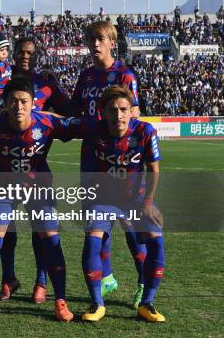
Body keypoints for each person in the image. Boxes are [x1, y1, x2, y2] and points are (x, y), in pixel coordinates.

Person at [0, 76, 74, 322]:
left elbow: (83, 126)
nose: (19, 107)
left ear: (33, 103)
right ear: (5, 103)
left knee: (51, 240)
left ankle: (60, 301)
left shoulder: (47, 123)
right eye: (13, 101)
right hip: (3, 190)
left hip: (39, 189)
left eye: (24, 101)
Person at [66, 85, 165, 322]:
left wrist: (148, 203)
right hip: (102, 198)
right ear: (103, 112)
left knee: (156, 242)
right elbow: (59, 121)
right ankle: (96, 304)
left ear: (132, 111)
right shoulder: (92, 128)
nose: (118, 115)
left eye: (123, 109)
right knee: (93, 241)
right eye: (112, 110)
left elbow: (154, 169)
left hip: (136, 198)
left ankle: (147, 303)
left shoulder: (144, 131)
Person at [70, 20, 146, 307]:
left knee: (131, 227)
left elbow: (135, 115)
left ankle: (143, 281)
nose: (95, 44)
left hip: (120, 161)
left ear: (112, 42)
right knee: (95, 225)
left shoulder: (124, 75)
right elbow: (73, 109)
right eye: (91, 39)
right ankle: (107, 276)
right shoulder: (86, 76)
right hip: (91, 158)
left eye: (100, 39)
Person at [0, 37, 72, 303]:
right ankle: (8, 277)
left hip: (35, 167)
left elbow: (70, 111)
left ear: (38, 55)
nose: (26, 56)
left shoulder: (47, 83)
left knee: (41, 227)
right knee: (4, 228)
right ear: (13, 54)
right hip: (2, 164)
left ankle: (41, 281)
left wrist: (55, 105)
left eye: (31, 52)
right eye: (21, 52)